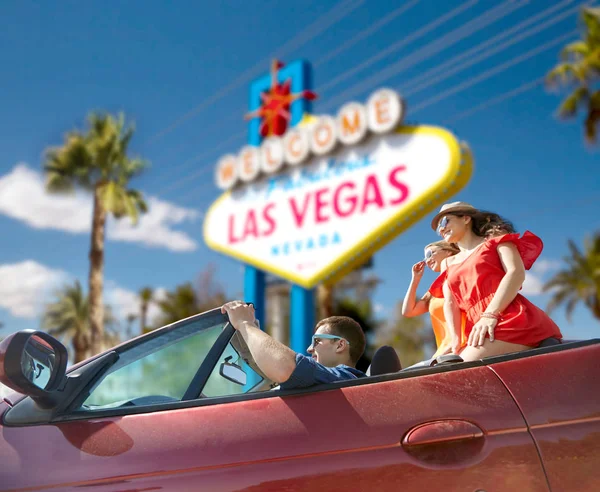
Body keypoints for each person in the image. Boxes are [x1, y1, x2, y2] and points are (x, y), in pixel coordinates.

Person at [429, 201, 562, 362]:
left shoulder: (495, 240)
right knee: (444, 369)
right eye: (438, 228)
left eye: (445, 221)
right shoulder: (447, 263)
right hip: (477, 326)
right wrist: (455, 340)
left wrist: (490, 314)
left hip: (507, 318)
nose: (441, 229)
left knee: (459, 370)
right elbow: (451, 302)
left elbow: (515, 273)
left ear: (465, 219)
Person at [221, 300, 366, 389]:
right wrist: (246, 337)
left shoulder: (345, 379)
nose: (309, 349)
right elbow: (273, 375)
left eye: (317, 341)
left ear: (340, 345)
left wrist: (245, 324)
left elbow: (285, 368)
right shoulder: (325, 384)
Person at [402, 240, 466, 358]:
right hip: (442, 353)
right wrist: (415, 279)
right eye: (425, 258)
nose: (427, 260)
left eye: (429, 254)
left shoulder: (464, 274)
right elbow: (408, 311)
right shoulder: (433, 291)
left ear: (447, 251)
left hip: (465, 347)